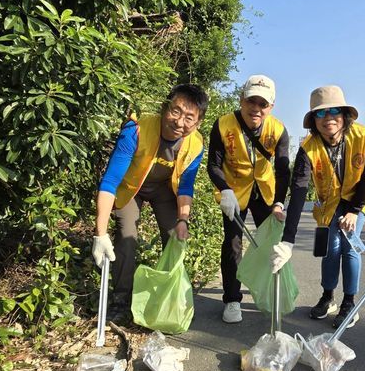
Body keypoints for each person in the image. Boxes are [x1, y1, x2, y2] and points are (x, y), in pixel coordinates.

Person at [92, 84, 209, 323]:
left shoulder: (195, 144)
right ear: (164, 107)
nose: (179, 122)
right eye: (175, 112)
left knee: (174, 237)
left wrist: (183, 220)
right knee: (126, 238)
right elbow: (111, 181)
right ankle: (121, 300)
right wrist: (99, 233)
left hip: (165, 192)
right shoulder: (135, 130)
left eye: (189, 118)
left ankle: (165, 298)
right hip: (130, 189)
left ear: (198, 123)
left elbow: (186, 186)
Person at [270, 85, 365, 329]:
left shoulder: (362, 136)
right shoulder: (308, 148)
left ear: (344, 115)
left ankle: (349, 303)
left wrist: (353, 211)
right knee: (331, 247)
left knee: (348, 244)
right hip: (329, 204)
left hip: (359, 199)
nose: (328, 118)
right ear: (313, 121)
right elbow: (298, 192)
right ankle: (328, 297)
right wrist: (288, 240)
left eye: (334, 111)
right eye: (320, 113)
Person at [207, 74, 290, 323]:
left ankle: (268, 292)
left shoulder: (278, 130)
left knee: (271, 245)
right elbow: (214, 164)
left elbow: (283, 170)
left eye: (263, 104)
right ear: (242, 100)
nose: (256, 109)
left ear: (271, 107)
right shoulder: (223, 125)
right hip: (233, 191)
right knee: (232, 242)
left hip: (264, 189)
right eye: (251, 101)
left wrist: (279, 202)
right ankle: (232, 299)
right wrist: (225, 190)